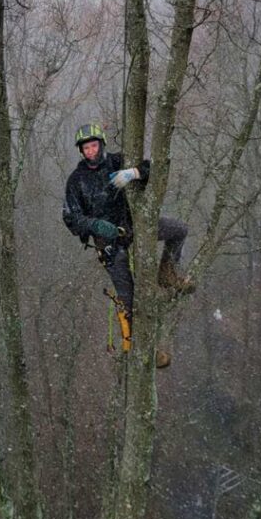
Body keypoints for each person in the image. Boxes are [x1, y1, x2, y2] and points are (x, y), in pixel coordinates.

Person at [63, 122, 194, 357]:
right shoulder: (77, 180)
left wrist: (134, 173)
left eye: (94, 146)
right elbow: (71, 218)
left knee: (179, 230)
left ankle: (168, 271)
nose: (91, 151)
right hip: (109, 244)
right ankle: (145, 350)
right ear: (81, 151)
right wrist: (96, 225)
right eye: (86, 148)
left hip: (135, 225)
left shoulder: (117, 162)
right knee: (130, 298)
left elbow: (154, 168)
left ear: (101, 145)